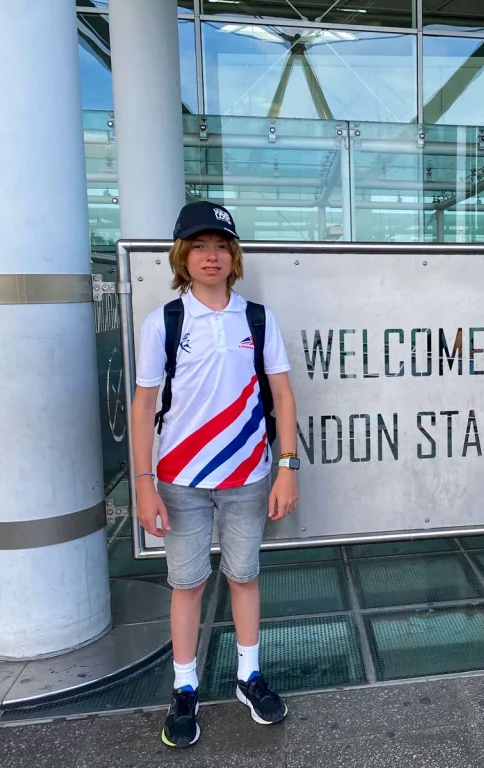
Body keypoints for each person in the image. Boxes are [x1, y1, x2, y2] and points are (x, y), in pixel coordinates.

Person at [130, 201, 300, 748]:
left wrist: (287, 467)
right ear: (183, 254)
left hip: (249, 475)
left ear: (234, 255)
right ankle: (185, 687)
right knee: (187, 583)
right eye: (200, 246)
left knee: (244, 575)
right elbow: (142, 403)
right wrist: (142, 482)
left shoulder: (257, 318)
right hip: (180, 479)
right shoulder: (165, 321)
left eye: (221, 245)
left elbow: (282, 393)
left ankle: (249, 676)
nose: (211, 255)